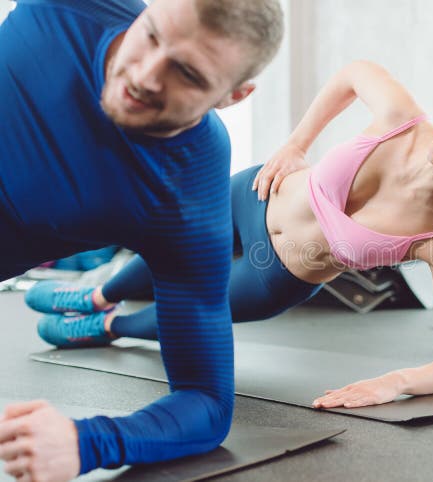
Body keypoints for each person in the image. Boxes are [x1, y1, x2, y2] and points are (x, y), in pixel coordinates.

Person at [26, 60, 433, 411]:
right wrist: (296, 144)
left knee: (184, 310)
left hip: (275, 276)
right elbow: (351, 73)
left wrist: (396, 382)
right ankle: (99, 293)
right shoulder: (401, 116)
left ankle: (105, 326)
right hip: (254, 193)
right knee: (165, 244)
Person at [0, 0, 283, 480]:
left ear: (233, 95)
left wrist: (88, 441)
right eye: (150, 34)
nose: (147, 76)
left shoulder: (188, 187)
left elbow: (206, 402)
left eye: (188, 73)